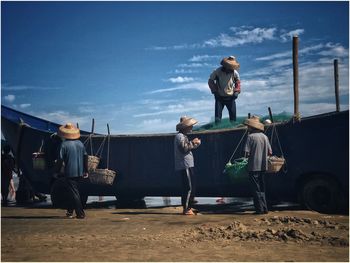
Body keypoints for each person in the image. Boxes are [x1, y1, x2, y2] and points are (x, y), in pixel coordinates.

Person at [55, 123, 89, 219]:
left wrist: (56, 172)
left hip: (70, 172)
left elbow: (60, 160)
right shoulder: (80, 144)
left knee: (74, 193)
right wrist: (86, 170)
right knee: (73, 191)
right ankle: (70, 211)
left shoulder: (64, 145)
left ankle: (80, 213)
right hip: (80, 172)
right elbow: (86, 157)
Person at [243, 116, 272, 214]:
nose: (247, 128)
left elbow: (246, 153)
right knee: (262, 188)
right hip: (263, 167)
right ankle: (265, 209)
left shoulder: (250, 137)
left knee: (256, 189)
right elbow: (270, 152)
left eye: (248, 126)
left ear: (251, 127)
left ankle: (259, 209)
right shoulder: (265, 137)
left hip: (253, 167)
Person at [174, 116, 201, 215]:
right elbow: (184, 148)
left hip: (188, 164)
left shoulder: (183, 136)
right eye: (190, 126)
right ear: (185, 127)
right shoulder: (180, 136)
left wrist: (194, 144)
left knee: (190, 186)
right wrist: (193, 142)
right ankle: (187, 209)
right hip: (185, 165)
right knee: (189, 187)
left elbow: (186, 147)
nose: (191, 128)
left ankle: (188, 207)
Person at [208, 56, 241, 125]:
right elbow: (210, 81)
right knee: (218, 118)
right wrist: (215, 91)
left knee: (233, 118)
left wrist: (237, 91)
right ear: (226, 66)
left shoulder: (234, 72)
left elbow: (238, 82)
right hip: (220, 97)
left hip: (231, 97)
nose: (230, 69)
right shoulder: (217, 71)